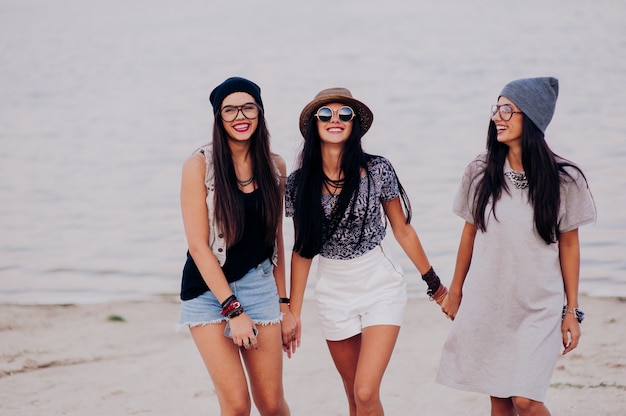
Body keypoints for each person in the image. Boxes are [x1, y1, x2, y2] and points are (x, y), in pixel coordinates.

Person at [437, 77, 596, 416]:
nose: (498, 116)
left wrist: (572, 310)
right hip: (490, 303)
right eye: (497, 108)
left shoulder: (565, 179)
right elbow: (468, 234)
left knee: (525, 399)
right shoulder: (481, 171)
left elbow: (569, 247)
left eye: (508, 109)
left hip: (539, 307)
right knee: (500, 400)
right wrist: (456, 291)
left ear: (533, 118)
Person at [284, 87, 446, 416]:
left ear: (354, 124)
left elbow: (402, 229)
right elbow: (303, 250)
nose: (335, 120)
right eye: (325, 114)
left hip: (379, 285)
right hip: (332, 291)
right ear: (314, 125)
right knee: (354, 397)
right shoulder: (299, 183)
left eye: (345, 114)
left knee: (366, 391)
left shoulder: (377, 170)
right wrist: (292, 311)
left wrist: (435, 284)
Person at [178, 77, 294, 415]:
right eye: (229, 109)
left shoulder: (275, 166)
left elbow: (277, 241)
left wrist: (285, 306)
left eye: (247, 107)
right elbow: (198, 246)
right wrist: (234, 311)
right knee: (237, 405)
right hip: (207, 293)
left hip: (259, 286)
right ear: (218, 117)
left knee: (272, 405)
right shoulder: (199, 165)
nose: (239, 116)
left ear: (259, 113)